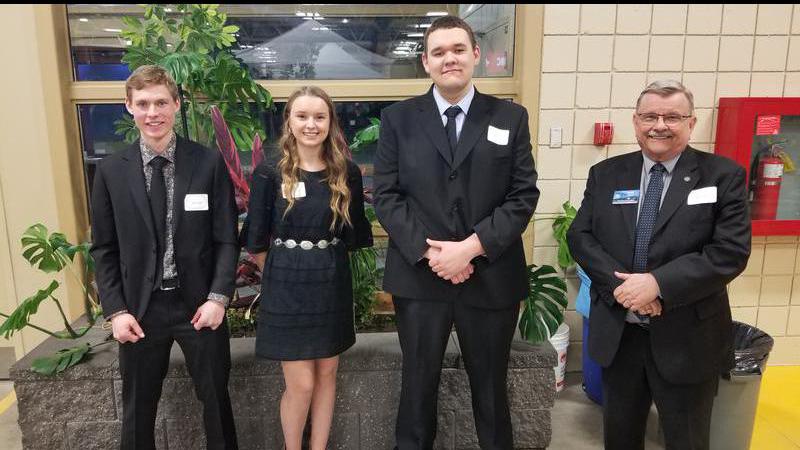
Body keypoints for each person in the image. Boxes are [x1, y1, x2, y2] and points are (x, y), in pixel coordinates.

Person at [373, 15, 539, 450]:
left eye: (459, 49)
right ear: (426, 62)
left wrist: (470, 248)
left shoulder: (510, 117)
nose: (450, 59)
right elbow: (386, 196)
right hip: (420, 278)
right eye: (439, 52)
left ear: (476, 55)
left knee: (491, 390)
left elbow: (523, 194)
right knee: (417, 387)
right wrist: (433, 254)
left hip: (491, 277)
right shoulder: (398, 119)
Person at [567, 80, 751, 450]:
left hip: (688, 338)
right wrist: (626, 289)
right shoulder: (607, 175)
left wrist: (657, 284)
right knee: (620, 438)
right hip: (621, 336)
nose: (660, 125)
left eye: (672, 117)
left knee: (687, 440)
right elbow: (580, 236)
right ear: (636, 121)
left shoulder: (722, 176)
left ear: (691, 123)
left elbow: (729, 252)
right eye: (650, 116)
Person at [90, 65, 239, 450]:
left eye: (160, 102)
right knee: (137, 412)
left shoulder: (207, 163)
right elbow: (104, 249)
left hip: (199, 307)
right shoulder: (110, 172)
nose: (152, 112)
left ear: (176, 104)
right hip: (140, 312)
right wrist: (116, 311)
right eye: (143, 104)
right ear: (129, 106)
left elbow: (226, 239)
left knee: (217, 405)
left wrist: (218, 298)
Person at [242, 86, 373, 450]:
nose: (311, 125)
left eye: (319, 116)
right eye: (302, 116)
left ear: (331, 122)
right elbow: (256, 241)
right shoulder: (269, 172)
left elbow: (352, 238)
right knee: (301, 384)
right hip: (285, 287)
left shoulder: (346, 172)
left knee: (328, 374)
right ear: (289, 121)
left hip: (331, 283)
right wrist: (285, 271)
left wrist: (320, 262)